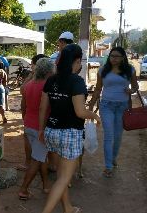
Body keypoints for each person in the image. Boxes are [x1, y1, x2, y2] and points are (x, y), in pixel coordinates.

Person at [39, 44, 101, 213]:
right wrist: (95, 116)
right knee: (64, 179)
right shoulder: (77, 82)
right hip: (70, 133)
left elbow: (43, 108)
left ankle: (67, 208)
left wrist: (40, 130)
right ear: (78, 61)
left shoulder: (51, 80)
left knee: (61, 176)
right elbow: (80, 112)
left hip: (51, 131)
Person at [88, 46, 138, 178]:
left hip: (123, 107)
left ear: (123, 58)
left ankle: (113, 157)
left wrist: (131, 90)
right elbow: (98, 89)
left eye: (117, 56)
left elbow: (135, 86)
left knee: (118, 136)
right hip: (106, 106)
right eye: (111, 56)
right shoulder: (103, 70)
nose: (113, 59)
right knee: (108, 136)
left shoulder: (130, 70)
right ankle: (108, 166)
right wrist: (91, 105)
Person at [18, 58, 55, 200]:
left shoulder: (28, 85)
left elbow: (24, 106)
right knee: (37, 160)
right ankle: (23, 189)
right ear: (49, 70)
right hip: (41, 127)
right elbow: (45, 108)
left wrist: (25, 120)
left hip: (29, 124)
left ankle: (46, 184)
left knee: (41, 157)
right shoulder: (48, 86)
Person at [18, 54, 48, 171]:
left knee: (33, 140)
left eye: (32, 64)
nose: (31, 66)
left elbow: (22, 90)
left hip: (34, 116)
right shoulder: (39, 78)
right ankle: (37, 164)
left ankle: (31, 163)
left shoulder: (37, 79)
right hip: (32, 115)